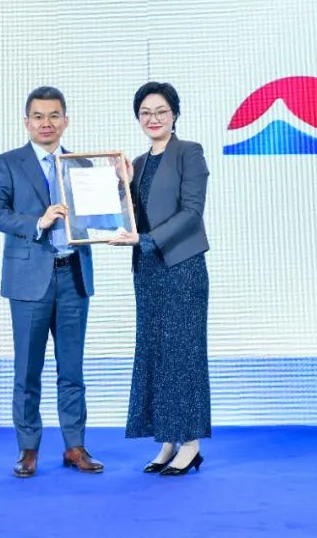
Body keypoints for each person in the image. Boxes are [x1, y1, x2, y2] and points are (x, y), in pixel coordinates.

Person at [0, 86, 104, 478]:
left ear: (65, 121)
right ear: (27, 122)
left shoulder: (82, 165)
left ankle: (75, 446)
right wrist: (38, 221)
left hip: (73, 275)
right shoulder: (7, 163)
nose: (46, 123)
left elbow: (101, 216)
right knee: (27, 370)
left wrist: (119, 188)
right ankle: (28, 449)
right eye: (38, 116)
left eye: (54, 116)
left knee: (72, 370)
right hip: (28, 280)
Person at [109, 81, 211, 476]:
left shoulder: (190, 152)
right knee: (156, 354)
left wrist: (148, 240)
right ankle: (168, 440)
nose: (153, 118)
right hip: (149, 270)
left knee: (183, 354)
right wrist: (122, 185)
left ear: (175, 114)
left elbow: (192, 212)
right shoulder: (138, 162)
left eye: (161, 111)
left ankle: (191, 443)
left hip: (182, 267)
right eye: (145, 113)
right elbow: (133, 218)